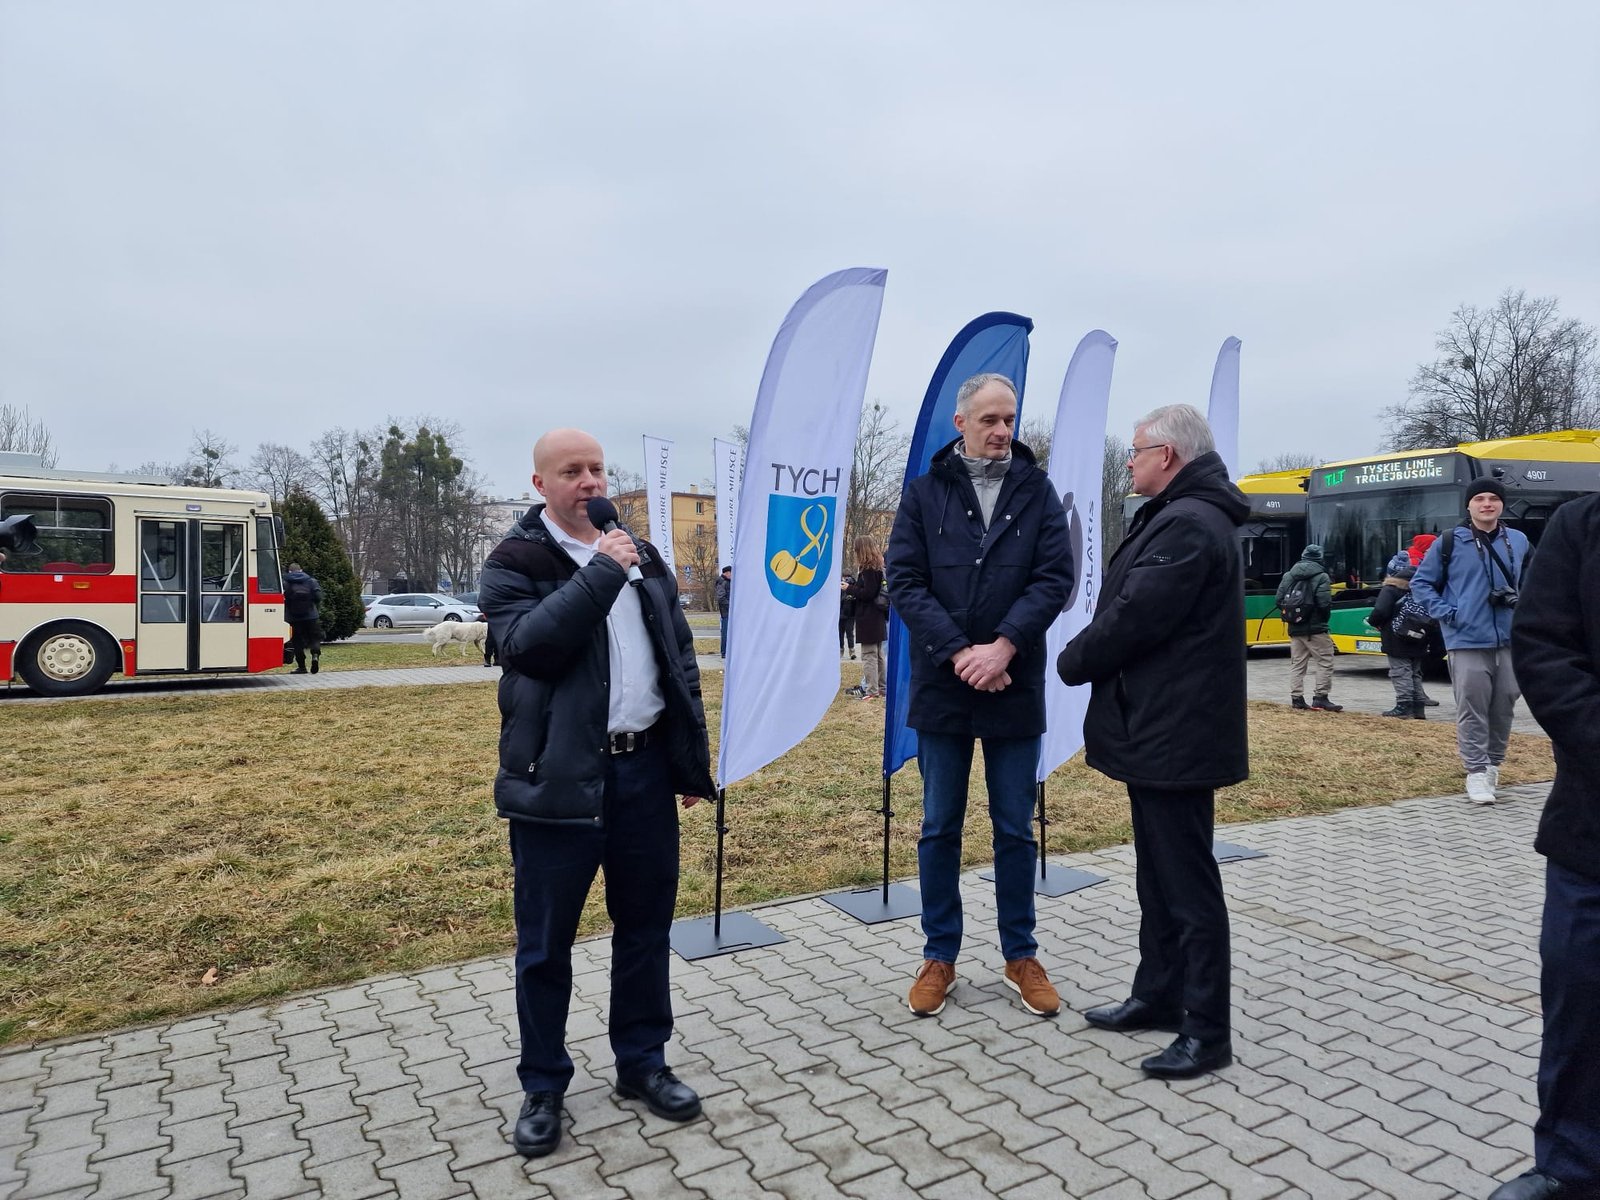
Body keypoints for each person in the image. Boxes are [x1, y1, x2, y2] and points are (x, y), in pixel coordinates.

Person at [478, 427, 715, 1158]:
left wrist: (687, 761)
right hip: (557, 780)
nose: (589, 482)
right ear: (540, 484)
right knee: (545, 943)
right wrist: (603, 571)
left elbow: (677, 657)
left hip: (643, 772)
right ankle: (543, 1084)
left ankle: (642, 1063)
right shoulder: (514, 561)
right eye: (571, 471)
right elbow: (531, 648)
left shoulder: (644, 556)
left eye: (597, 469)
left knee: (644, 928)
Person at [1057, 403, 1248, 1080]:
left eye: (1136, 451)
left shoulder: (1189, 523)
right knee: (1158, 875)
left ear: (1166, 456)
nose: (1129, 463)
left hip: (1177, 731)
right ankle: (1159, 994)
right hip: (1160, 726)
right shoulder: (1178, 515)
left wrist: (1073, 660)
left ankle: (1206, 1030)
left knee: (1187, 884)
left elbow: (1136, 615)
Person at [886, 372, 1073, 1020]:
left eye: (1009, 419)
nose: (1002, 431)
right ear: (961, 422)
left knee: (1014, 828)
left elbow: (1055, 578)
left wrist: (1003, 647)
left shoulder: (1036, 490)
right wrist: (961, 652)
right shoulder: (924, 494)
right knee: (940, 826)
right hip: (944, 685)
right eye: (990, 419)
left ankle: (1021, 954)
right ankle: (939, 955)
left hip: (1012, 683)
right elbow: (904, 580)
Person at [1494, 494, 1600, 1200]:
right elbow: (1544, 649)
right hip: (1593, 831)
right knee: (1581, 1004)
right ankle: (1571, 1165)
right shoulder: (1581, 526)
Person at [1411, 478, 1533, 805]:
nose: (1487, 504)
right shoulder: (1450, 541)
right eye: (1479, 498)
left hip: (1509, 638)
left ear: (1502, 504)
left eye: (1493, 498)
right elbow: (1422, 583)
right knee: (1472, 707)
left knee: (1504, 705)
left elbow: (1534, 581)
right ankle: (1476, 771)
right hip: (1466, 639)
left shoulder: (1519, 541)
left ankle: (1493, 765)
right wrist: (1449, 613)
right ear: (1469, 504)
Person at [1366, 552, 1432, 718]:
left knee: (1400, 671)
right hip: (1420, 636)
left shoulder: (1391, 588)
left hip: (1397, 637)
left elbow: (1380, 611)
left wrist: (1374, 622)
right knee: (1415, 672)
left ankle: (1404, 706)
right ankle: (1418, 708)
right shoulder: (1422, 586)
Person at [1276, 544, 1340, 712]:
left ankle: (1297, 698)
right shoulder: (1322, 576)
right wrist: (1321, 620)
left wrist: (1295, 617)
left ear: (1303, 556)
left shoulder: (1289, 575)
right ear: (1319, 558)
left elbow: (1279, 600)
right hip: (1316, 629)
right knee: (1325, 661)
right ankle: (1321, 697)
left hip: (1295, 627)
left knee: (1297, 663)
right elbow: (1324, 603)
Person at [845, 536, 888, 699]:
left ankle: (872, 691)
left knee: (869, 655)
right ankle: (882, 688)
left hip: (868, 618)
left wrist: (849, 588)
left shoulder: (868, 570)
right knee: (878, 655)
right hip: (877, 616)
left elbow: (868, 593)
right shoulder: (878, 567)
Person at [282, 562, 323, 675]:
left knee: (297, 642)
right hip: (311, 616)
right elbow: (318, 598)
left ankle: (302, 667)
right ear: (301, 570)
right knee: (314, 638)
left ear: (289, 571)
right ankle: (315, 655)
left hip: (293, 617)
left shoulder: (285, 582)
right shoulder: (311, 581)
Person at [838, 573, 858, 663]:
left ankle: (851, 650)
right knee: (841, 633)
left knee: (849, 632)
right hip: (841, 614)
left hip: (850, 614)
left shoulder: (852, 587)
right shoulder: (839, 587)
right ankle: (841, 649)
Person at [714, 565, 732, 658]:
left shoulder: (727, 582)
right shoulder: (722, 582)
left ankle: (727, 651)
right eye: (731, 573)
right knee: (725, 632)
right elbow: (721, 598)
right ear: (727, 573)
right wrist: (731, 606)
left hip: (729, 612)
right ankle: (724, 652)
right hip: (726, 612)